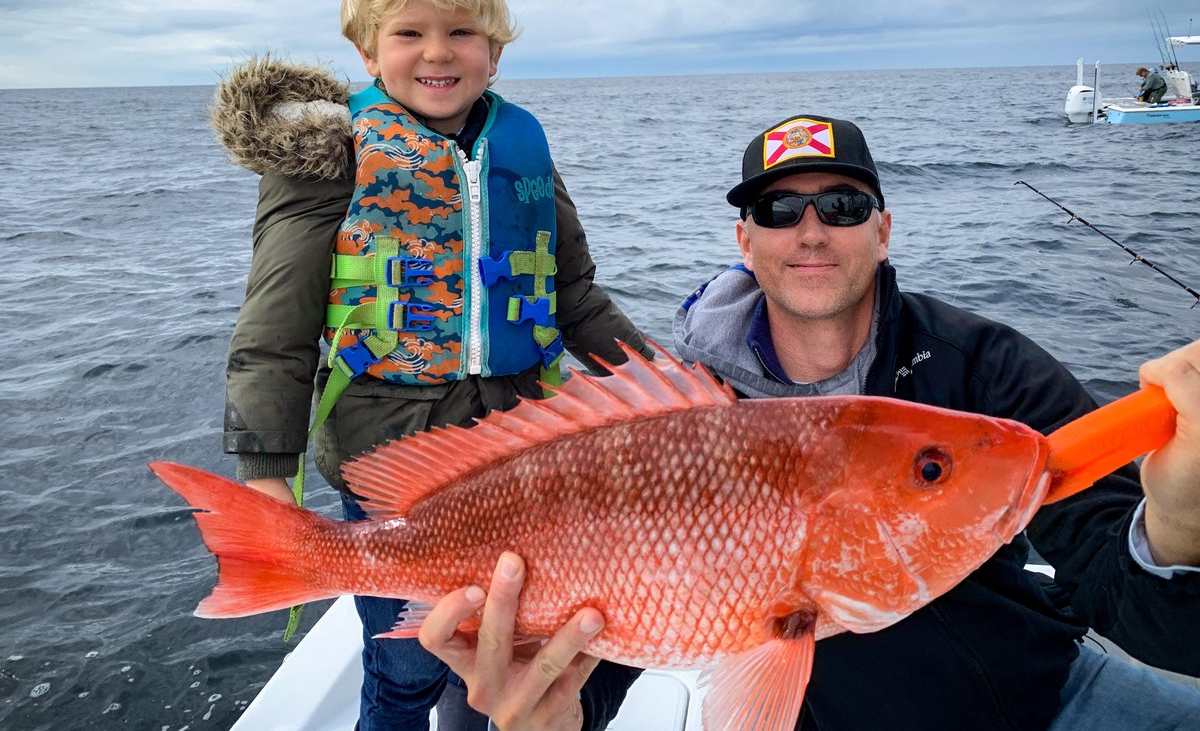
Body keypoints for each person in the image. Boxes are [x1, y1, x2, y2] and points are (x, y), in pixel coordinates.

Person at [420, 115, 1200, 731]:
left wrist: (1175, 521)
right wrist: (548, 717)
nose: (812, 228)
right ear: (745, 240)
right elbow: (614, 631)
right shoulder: (683, 419)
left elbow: (1132, 607)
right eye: (778, 207)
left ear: (883, 230)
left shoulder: (981, 369)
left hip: (1044, 696)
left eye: (843, 204)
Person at [219, 0, 650, 731]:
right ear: (365, 48)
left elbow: (577, 299)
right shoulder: (329, 159)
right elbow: (273, 330)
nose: (437, 52)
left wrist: (668, 387)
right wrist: (266, 472)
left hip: (521, 458)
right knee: (407, 664)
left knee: (513, 649)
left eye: (461, 32)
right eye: (409, 33)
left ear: (496, 48)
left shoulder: (522, 153)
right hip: (391, 469)